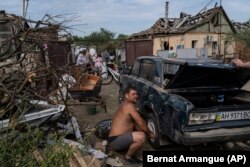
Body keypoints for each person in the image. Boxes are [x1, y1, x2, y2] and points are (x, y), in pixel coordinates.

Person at [108, 86, 155, 164]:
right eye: (133, 94)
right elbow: (140, 122)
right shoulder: (129, 106)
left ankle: (130, 150)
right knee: (141, 136)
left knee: (141, 133)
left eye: (136, 94)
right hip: (115, 141)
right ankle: (128, 156)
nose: (136, 96)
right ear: (126, 95)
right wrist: (150, 133)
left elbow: (136, 124)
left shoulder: (125, 104)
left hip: (116, 139)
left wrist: (143, 129)